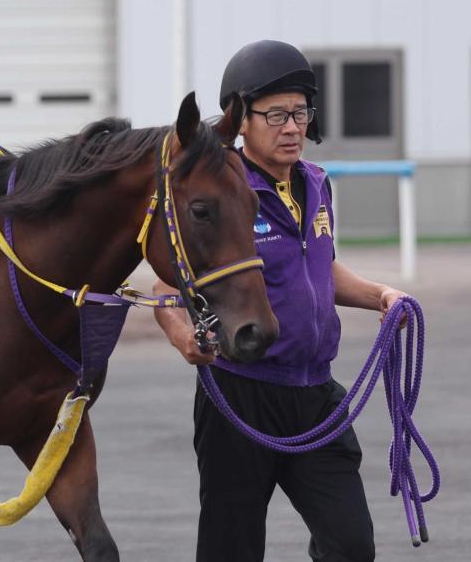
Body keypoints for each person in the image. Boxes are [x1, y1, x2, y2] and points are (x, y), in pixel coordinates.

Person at [153, 40, 406, 562]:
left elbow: (321, 269)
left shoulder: (315, 183)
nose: (292, 127)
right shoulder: (225, 191)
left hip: (316, 396)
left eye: (299, 112)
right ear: (241, 121)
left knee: (351, 544)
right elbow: (165, 290)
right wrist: (185, 339)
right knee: (231, 550)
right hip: (242, 396)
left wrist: (379, 295)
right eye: (275, 115)